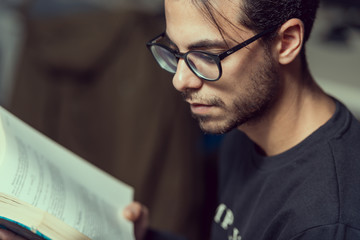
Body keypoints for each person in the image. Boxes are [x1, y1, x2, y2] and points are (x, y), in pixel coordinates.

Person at [2, 0, 360, 240]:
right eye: (176, 51)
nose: (180, 79)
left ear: (286, 42)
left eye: (207, 55)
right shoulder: (244, 120)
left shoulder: (326, 220)